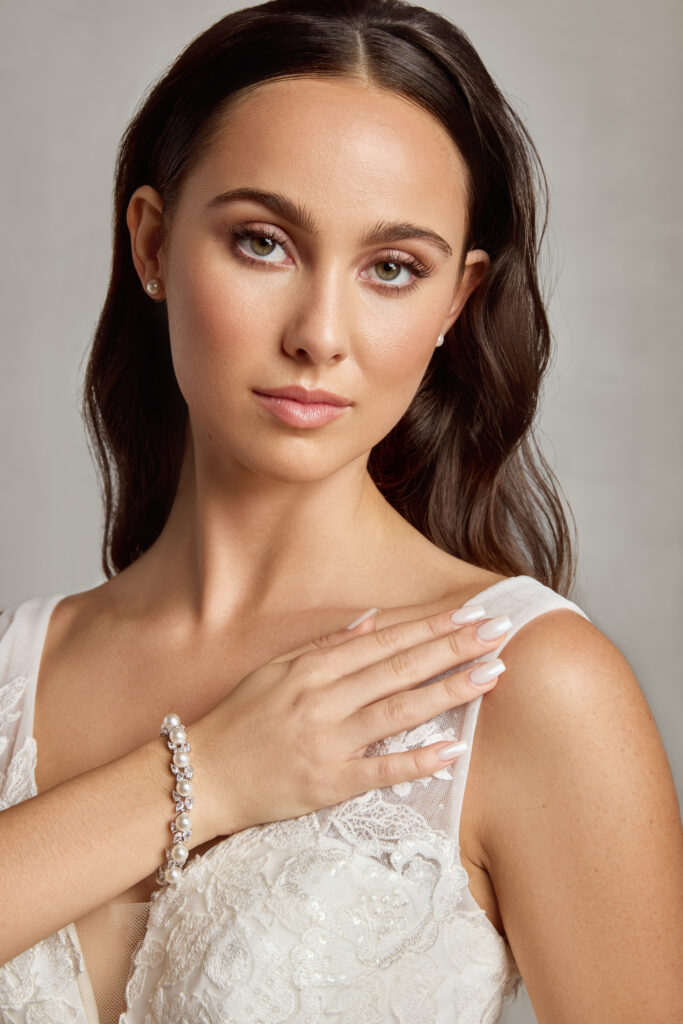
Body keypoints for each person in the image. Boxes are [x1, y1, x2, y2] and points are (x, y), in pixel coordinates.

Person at [0, 0, 681, 1021]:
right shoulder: (16, 668)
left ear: (455, 300)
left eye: (391, 268)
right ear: (150, 242)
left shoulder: (525, 686)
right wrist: (207, 775)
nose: (320, 333)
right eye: (263, 242)